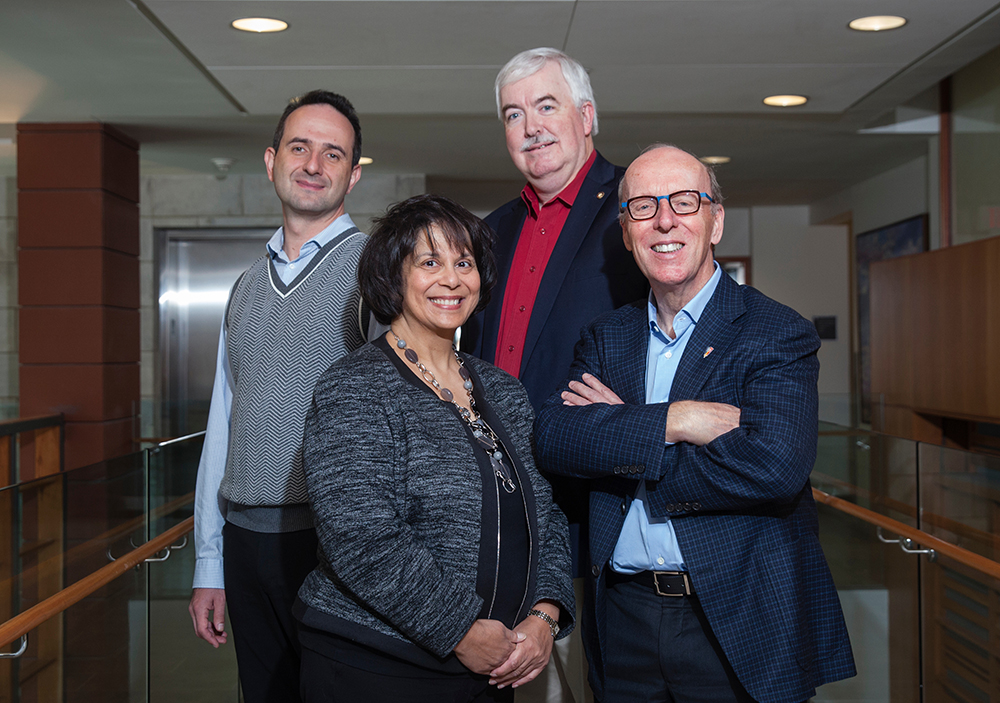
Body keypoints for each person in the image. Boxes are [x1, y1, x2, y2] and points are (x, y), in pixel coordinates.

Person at [534, 144, 856, 703]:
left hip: (735, 616)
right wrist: (679, 420)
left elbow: (775, 467)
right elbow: (556, 440)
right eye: (643, 207)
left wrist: (622, 436)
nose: (665, 220)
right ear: (627, 233)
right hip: (622, 617)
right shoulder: (606, 337)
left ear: (716, 222)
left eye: (685, 202)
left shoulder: (775, 332)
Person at [295, 194, 574, 703]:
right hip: (378, 666)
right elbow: (360, 535)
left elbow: (545, 513)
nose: (452, 279)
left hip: (495, 665)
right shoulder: (355, 387)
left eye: (463, 263)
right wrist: (461, 629)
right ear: (392, 277)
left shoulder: (504, 389)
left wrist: (544, 616)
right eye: (429, 262)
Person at [461, 47, 646, 702]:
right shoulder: (492, 230)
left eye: (547, 106)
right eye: (514, 114)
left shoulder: (632, 206)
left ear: (586, 116)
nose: (531, 126)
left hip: (600, 496)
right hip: (501, 496)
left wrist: (642, 406)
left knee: (613, 679)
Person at [188, 89, 367, 702]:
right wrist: (208, 563)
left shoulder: (378, 274)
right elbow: (224, 425)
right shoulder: (243, 288)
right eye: (300, 147)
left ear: (353, 174)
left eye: (333, 153)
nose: (314, 165)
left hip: (336, 542)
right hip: (245, 543)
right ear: (271, 162)